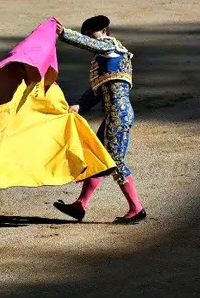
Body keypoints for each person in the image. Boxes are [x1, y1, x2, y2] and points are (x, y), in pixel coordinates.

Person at [52, 15, 147, 224]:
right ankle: (80, 205)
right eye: (86, 34)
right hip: (115, 114)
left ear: (104, 31)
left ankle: (136, 208)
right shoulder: (106, 59)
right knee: (99, 158)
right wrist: (79, 106)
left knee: (116, 162)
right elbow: (97, 92)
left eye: (91, 33)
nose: (88, 37)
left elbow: (91, 44)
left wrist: (65, 34)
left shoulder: (111, 46)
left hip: (118, 115)